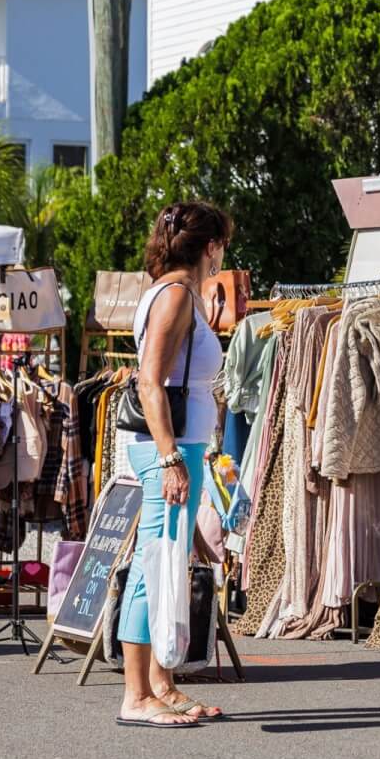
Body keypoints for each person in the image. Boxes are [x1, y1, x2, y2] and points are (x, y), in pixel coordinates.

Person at [117, 201, 232, 728]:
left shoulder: (178, 293)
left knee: (167, 560)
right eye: (223, 244)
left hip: (179, 445)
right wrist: (169, 457)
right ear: (210, 247)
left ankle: (160, 683)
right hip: (168, 446)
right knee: (153, 563)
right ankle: (136, 695)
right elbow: (149, 381)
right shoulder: (176, 296)